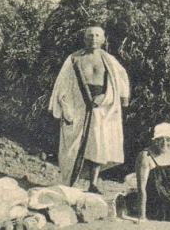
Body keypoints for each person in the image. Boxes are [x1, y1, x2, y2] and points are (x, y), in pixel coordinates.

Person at [49, 25, 130, 193]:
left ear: (103, 39)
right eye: (90, 35)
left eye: (97, 35)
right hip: (78, 104)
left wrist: (111, 97)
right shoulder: (74, 59)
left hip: (102, 106)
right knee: (73, 144)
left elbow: (120, 78)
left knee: (99, 144)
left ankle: (93, 183)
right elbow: (62, 84)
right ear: (84, 39)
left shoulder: (109, 60)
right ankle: (70, 183)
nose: (93, 38)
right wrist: (65, 106)